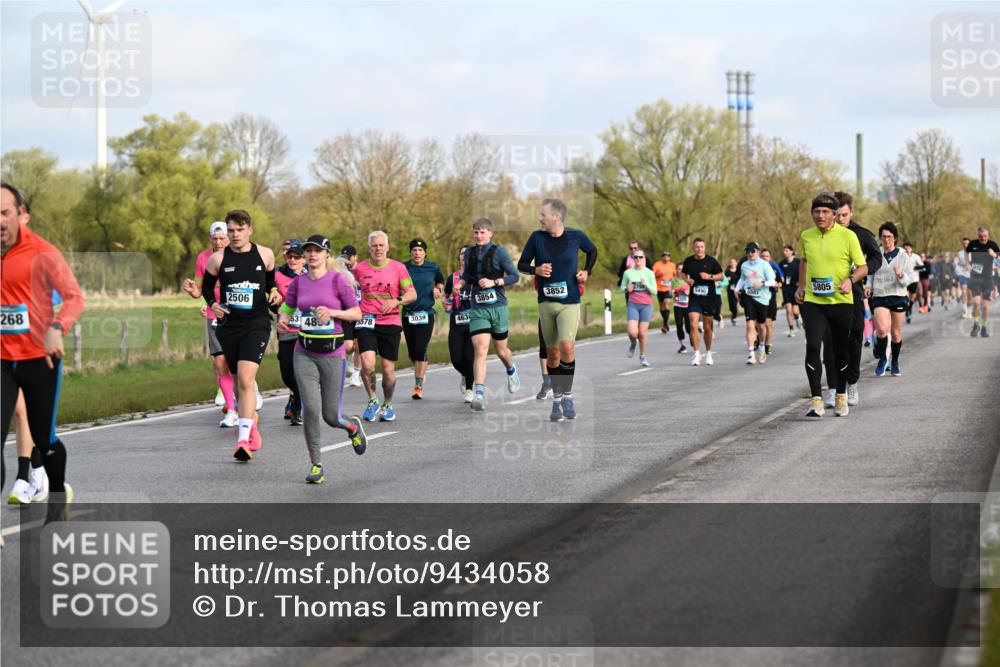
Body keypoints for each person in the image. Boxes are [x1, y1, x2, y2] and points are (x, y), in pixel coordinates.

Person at [1, 181, 84, 520]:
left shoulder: (43, 252)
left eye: (4, 212)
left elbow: (74, 297)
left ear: (21, 215)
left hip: (39, 358)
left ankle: (56, 495)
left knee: (44, 439)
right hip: (2, 360)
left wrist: (56, 328)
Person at [278, 235, 366, 484]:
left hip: (333, 354)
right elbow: (288, 307)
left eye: (317, 250)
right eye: (308, 251)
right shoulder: (299, 282)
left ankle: (351, 427)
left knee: (330, 415)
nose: (312, 254)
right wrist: (283, 318)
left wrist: (333, 312)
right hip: (304, 352)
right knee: (310, 409)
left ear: (327, 254)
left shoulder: (338, 280)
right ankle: (316, 464)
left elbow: (356, 313)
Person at [201, 209, 280, 461]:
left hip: (256, 324)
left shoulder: (265, 254)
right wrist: (213, 304)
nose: (234, 235)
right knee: (237, 383)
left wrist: (275, 291)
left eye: (239, 230)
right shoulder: (218, 259)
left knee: (246, 380)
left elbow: (270, 282)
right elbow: (206, 287)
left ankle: (242, 439)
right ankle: (251, 423)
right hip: (229, 326)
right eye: (230, 230)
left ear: (249, 230)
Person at [517, 199, 596, 421]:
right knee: (552, 353)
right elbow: (521, 265)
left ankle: (568, 396)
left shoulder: (576, 236)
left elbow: (592, 251)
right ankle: (557, 399)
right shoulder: (537, 238)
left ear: (556, 217)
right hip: (546, 303)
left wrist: (586, 271)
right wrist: (536, 269)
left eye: (543, 214)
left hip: (569, 301)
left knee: (567, 347)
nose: (539, 218)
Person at [795, 192, 868, 418]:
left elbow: (862, 266)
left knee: (839, 350)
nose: (820, 215)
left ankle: (841, 396)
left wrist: (851, 280)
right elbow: (805, 260)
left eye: (826, 212)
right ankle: (816, 399)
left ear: (835, 215)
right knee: (813, 346)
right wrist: (800, 286)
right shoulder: (806, 236)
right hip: (814, 302)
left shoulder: (848, 236)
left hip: (841, 301)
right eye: (816, 212)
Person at [181, 221, 245, 428]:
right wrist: (193, 291)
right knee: (219, 363)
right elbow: (200, 290)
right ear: (210, 238)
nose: (218, 242)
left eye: (222, 238)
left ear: (229, 237)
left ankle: (248, 389)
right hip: (213, 313)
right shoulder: (203, 258)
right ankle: (232, 410)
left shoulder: (239, 255)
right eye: (214, 238)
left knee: (238, 361)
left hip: (238, 314)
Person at [353, 231, 417, 422]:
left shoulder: (398, 268)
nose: (378, 249)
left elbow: (411, 294)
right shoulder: (360, 269)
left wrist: (397, 301)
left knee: (388, 369)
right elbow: (348, 291)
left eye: (381, 245)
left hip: (389, 322)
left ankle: (387, 404)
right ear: (369, 248)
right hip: (366, 322)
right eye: (374, 245)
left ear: (387, 247)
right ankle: (373, 400)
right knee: (367, 364)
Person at [463, 218, 521, 412]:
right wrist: (459, 285)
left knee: (501, 351)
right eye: (476, 232)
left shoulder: (500, 252)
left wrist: (493, 282)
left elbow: (514, 276)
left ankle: (511, 370)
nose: (479, 236)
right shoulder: (469, 253)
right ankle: (479, 393)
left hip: (498, 307)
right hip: (478, 308)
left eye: (482, 232)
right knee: (480, 349)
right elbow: (466, 277)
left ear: (490, 234)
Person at [833, 191, 882, 407]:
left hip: (853, 292)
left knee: (853, 339)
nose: (840, 220)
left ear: (851, 213)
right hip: (828, 295)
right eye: (837, 215)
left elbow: (876, 257)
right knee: (830, 341)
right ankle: (834, 387)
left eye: (844, 215)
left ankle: (851, 383)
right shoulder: (823, 234)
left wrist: (862, 271)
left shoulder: (861, 234)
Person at [867, 222, 916, 377]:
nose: (886, 240)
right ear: (880, 238)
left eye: (889, 237)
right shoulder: (876, 253)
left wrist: (901, 275)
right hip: (880, 295)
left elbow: (909, 279)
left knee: (895, 334)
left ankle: (894, 361)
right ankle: (882, 358)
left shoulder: (903, 256)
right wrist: (868, 286)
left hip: (898, 296)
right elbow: (870, 272)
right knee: (882, 330)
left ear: (895, 238)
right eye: (883, 237)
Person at [402, 238, 445, 400]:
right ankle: (420, 369)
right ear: (410, 252)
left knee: (421, 349)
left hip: (426, 314)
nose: (417, 253)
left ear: (425, 253)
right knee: (413, 352)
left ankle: (418, 385)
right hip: (408, 314)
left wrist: (438, 289)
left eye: (420, 250)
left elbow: (440, 281)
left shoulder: (433, 267)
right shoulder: (404, 268)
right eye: (414, 250)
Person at [274, 239, 306, 425]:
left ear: (303, 259)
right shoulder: (278, 276)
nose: (293, 260)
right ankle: (298, 395)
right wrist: (275, 304)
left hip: (307, 332)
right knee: (287, 374)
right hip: (286, 330)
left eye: (297, 257)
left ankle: (297, 406)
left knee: (300, 371)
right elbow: (270, 300)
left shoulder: (312, 276)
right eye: (290, 257)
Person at [680, 238, 723, 366]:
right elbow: (683, 274)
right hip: (694, 298)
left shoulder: (711, 261)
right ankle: (696, 353)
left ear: (705, 248)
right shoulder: (689, 261)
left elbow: (721, 275)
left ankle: (708, 353)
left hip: (709, 298)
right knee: (693, 324)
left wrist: (710, 277)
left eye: (702, 247)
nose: (699, 249)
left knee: (707, 328)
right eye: (697, 247)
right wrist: (687, 281)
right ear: (694, 248)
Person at [734, 243, 777, 365]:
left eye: (752, 251)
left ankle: (762, 346)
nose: (750, 253)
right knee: (750, 325)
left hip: (763, 298)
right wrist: (737, 289)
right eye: (748, 251)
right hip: (749, 297)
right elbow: (742, 279)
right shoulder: (744, 265)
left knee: (761, 326)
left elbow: (773, 281)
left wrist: (762, 283)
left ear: (757, 252)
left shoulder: (765, 265)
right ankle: (751, 354)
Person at [444, 245, 475, 403]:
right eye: (462, 253)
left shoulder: (476, 277)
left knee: (469, 357)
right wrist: (448, 300)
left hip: (473, 322)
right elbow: (446, 302)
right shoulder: (452, 278)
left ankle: (470, 389)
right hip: (456, 322)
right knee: (456, 358)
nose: (464, 256)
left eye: (468, 254)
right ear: (459, 257)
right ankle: (465, 374)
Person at [620, 250, 656, 367]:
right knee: (632, 332)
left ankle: (643, 356)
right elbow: (622, 288)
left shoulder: (649, 273)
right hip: (633, 305)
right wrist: (627, 289)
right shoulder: (628, 273)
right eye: (636, 257)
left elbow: (655, 291)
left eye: (640, 257)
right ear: (633, 259)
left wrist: (646, 284)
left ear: (644, 258)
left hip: (646, 305)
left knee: (642, 332)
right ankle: (633, 343)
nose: (638, 259)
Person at [967, 226, 999, 338]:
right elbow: (967, 255)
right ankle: (976, 325)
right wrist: (967, 264)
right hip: (975, 278)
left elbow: (999, 258)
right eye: (981, 237)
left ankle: (984, 328)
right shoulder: (973, 244)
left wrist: (994, 255)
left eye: (985, 236)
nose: (983, 238)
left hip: (987, 279)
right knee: (975, 302)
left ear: (988, 235)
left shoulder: (993, 245)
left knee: (985, 306)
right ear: (978, 236)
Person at [339, 245, 364, 387]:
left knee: (359, 344)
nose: (347, 260)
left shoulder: (362, 271)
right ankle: (348, 358)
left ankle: (356, 374)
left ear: (355, 257)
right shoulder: (341, 273)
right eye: (344, 258)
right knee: (348, 346)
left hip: (361, 313)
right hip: (347, 313)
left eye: (349, 257)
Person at [760, 247, 784, 355]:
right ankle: (759, 339)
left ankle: (767, 345)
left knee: (768, 323)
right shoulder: (756, 268)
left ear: (770, 257)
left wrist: (776, 285)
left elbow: (780, 282)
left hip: (770, 298)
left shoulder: (773, 268)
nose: (765, 258)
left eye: (766, 256)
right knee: (759, 324)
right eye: (763, 256)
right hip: (758, 299)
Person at [778, 244, 802, 337]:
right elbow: (779, 275)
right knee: (788, 309)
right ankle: (791, 329)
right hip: (786, 289)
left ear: (792, 251)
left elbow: (803, 273)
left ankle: (797, 317)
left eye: (787, 250)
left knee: (795, 310)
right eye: (784, 251)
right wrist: (779, 282)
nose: (785, 252)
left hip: (795, 289)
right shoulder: (781, 263)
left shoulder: (798, 262)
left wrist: (800, 283)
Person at [652, 250, 676, 334]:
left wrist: (674, 286)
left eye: (668, 256)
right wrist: (658, 275)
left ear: (670, 257)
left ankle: (665, 324)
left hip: (668, 288)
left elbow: (675, 276)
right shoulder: (657, 264)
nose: (666, 257)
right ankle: (665, 322)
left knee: (666, 303)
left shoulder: (672, 265)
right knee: (661, 307)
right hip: (659, 288)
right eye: (664, 255)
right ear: (661, 257)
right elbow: (652, 276)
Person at [671, 266, 691, 352]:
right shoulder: (673, 280)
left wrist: (684, 291)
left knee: (688, 327)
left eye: (682, 269)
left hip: (688, 306)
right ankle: (683, 345)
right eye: (679, 269)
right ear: (676, 270)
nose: (680, 270)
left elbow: (691, 291)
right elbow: (671, 292)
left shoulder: (689, 280)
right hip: (678, 305)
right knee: (679, 325)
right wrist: (674, 292)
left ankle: (692, 338)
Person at [902, 242, 921, 323]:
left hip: (914, 279)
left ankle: (910, 308)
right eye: (905, 248)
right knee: (905, 296)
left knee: (912, 296)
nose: (906, 250)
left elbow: (922, 267)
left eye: (908, 248)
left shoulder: (916, 257)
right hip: (904, 279)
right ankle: (907, 311)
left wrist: (914, 268)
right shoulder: (901, 257)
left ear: (911, 249)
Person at [955, 237, 972, 318]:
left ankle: (970, 309)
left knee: (970, 293)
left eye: (967, 243)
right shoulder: (959, 253)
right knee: (964, 291)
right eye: (964, 243)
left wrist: (972, 267)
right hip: (963, 274)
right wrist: (959, 272)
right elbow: (955, 264)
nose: (965, 245)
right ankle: (965, 309)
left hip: (972, 275)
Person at [724, 258, 740, 325]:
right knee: (731, 305)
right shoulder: (727, 271)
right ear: (730, 264)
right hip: (730, 290)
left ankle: (734, 317)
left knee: (735, 303)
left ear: (736, 263)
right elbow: (724, 280)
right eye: (731, 262)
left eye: (734, 262)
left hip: (737, 290)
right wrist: (727, 279)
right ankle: (733, 313)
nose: (733, 263)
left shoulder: (739, 271)